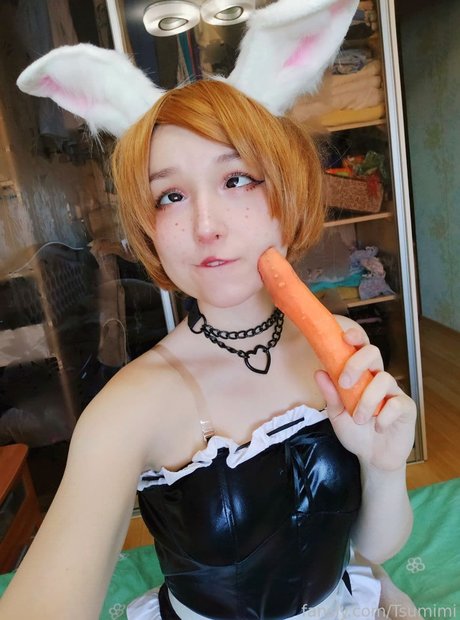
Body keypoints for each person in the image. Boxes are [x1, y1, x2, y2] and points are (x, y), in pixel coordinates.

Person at [0, 79, 418, 620]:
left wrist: (384, 465)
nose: (204, 226)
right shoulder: (130, 406)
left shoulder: (339, 346)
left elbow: (375, 546)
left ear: (288, 195)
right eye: (170, 196)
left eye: (236, 179)